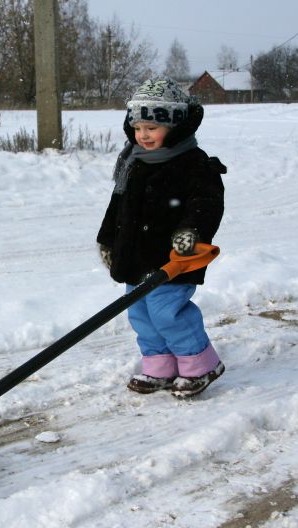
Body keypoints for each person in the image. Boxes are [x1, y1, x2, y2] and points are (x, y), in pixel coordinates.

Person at [96, 77, 226, 398]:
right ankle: (160, 366)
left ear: (175, 125)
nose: (143, 135)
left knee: (167, 312)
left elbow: (206, 207)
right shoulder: (134, 162)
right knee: (140, 314)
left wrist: (189, 239)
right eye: (138, 127)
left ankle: (200, 363)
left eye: (152, 128)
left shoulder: (194, 165)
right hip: (135, 256)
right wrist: (108, 240)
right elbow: (118, 206)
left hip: (174, 258)